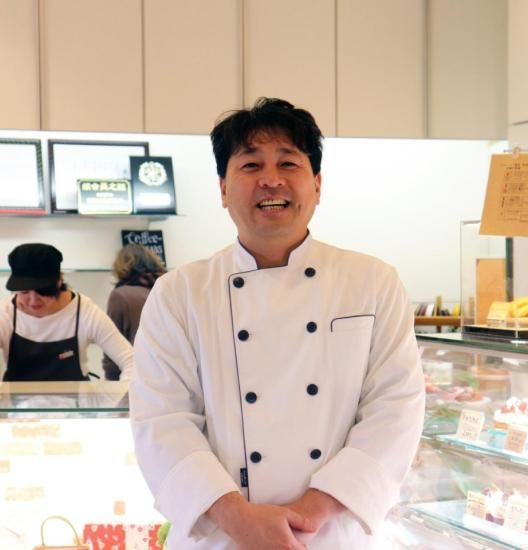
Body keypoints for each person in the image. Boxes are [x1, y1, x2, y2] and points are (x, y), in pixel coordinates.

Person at [130, 98, 425, 549]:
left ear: (317, 184)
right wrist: (238, 519)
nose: (271, 179)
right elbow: (161, 421)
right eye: (251, 165)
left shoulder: (372, 282)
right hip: (223, 537)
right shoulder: (179, 293)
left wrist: (310, 513)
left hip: (328, 535)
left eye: (289, 162)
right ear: (223, 189)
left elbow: (396, 410)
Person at [0, 242, 133, 382]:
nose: (33, 301)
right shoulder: (6, 314)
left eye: (43, 291)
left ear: (60, 280)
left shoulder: (85, 311)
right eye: (24, 291)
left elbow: (130, 360)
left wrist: (126, 391)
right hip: (16, 396)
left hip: (76, 396)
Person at [102, 243, 166, 380]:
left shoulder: (120, 296)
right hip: (170, 375)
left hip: (139, 378)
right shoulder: (165, 291)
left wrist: (111, 382)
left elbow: (111, 347)